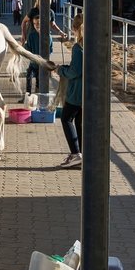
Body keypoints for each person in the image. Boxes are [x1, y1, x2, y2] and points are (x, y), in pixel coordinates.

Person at [56, 14, 83, 169]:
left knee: (66, 118)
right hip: (86, 91)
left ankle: (75, 153)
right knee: (79, 121)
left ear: (75, 29)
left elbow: (75, 71)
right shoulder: (90, 44)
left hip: (76, 91)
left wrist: (61, 70)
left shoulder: (78, 48)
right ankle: (80, 153)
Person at [22, 10, 53, 99]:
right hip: (33, 63)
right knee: (29, 76)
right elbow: (28, 49)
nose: (37, 25)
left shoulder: (48, 36)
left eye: (38, 23)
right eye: (35, 24)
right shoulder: (31, 35)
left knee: (39, 80)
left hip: (42, 64)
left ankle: (37, 95)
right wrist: (25, 45)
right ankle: (27, 95)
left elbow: (50, 49)